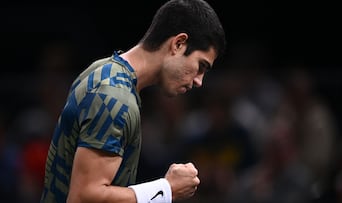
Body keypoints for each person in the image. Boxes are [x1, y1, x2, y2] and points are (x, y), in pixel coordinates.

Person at [40, 0, 226, 202]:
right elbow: (83, 197)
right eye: (201, 66)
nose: (199, 81)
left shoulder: (102, 70)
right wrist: (166, 189)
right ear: (178, 44)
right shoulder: (115, 97)